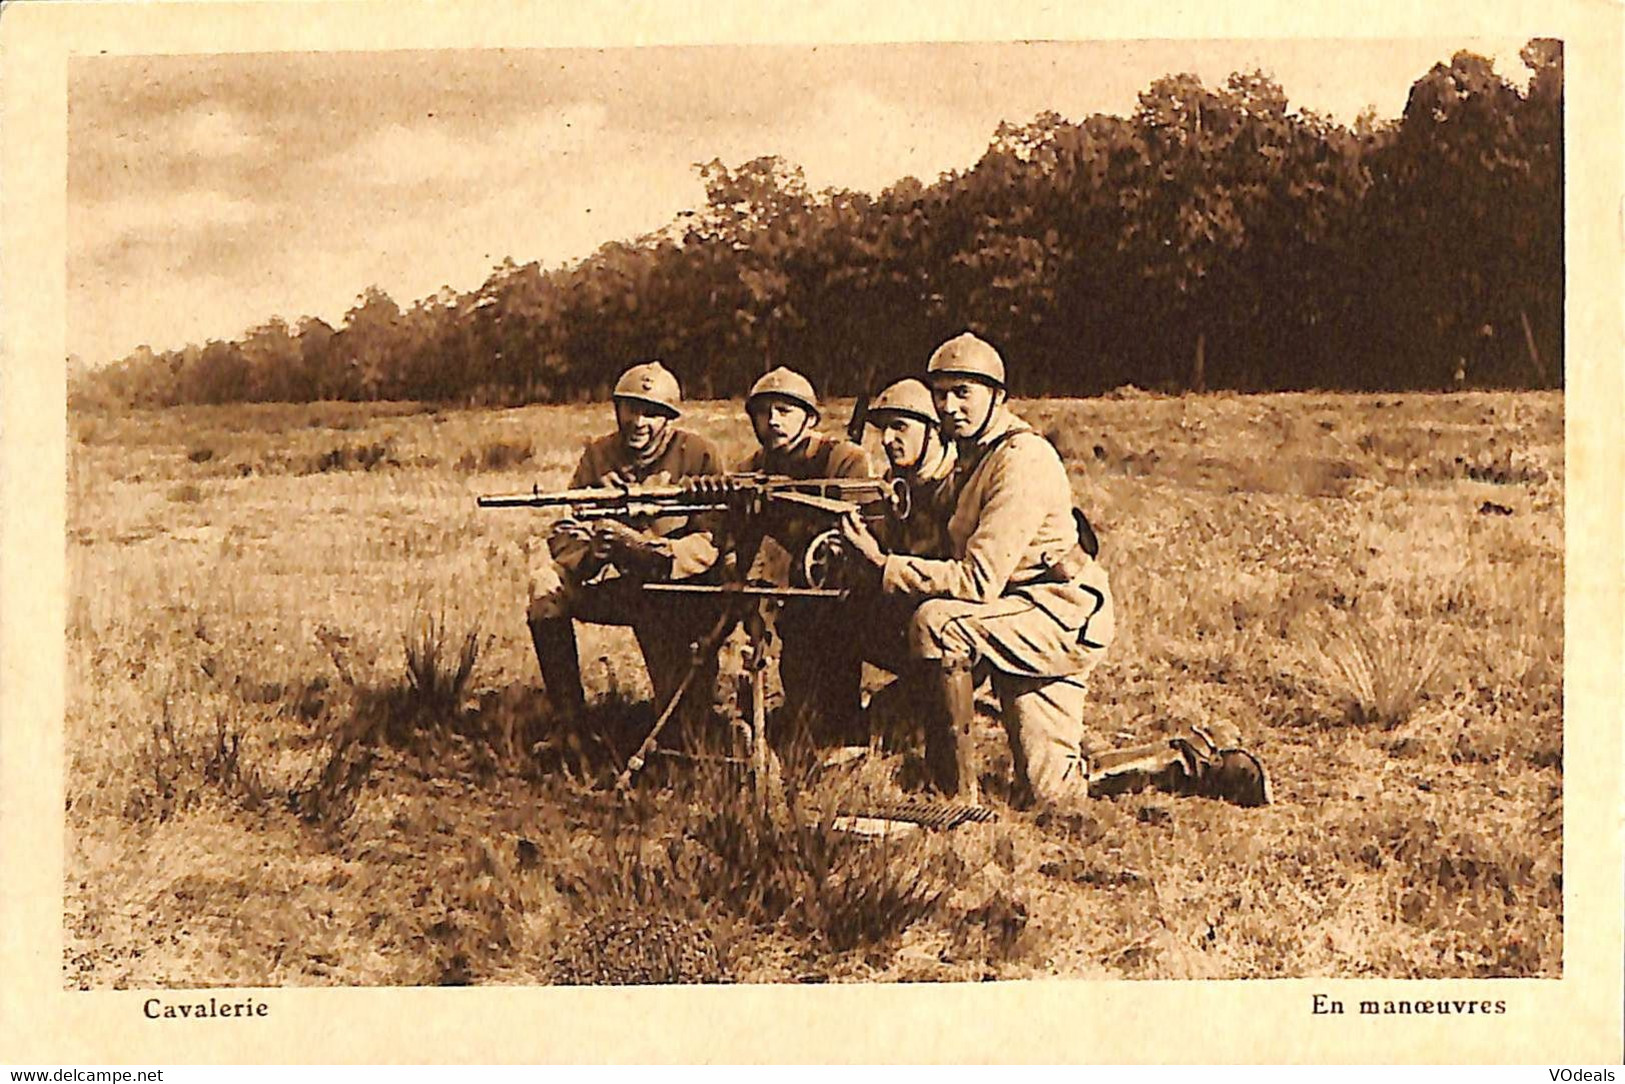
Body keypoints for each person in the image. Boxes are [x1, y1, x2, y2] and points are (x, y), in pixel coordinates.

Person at [839, 333, 1268, 809]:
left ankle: (954, 797)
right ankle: (1195, 764)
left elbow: (977, 582)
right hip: (1014, 615)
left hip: (1055, 616)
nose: (949, 406)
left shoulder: (1020, 460)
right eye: (940, 394)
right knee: (1052, 791)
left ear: (997, 396)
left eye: (964, 393)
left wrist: (883, 567)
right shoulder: (971, 456)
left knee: (940, 625)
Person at [527, 361, 725, 732]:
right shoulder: (599, 456)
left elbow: (713, 536)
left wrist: (655, 552)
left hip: (674, 592)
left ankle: (683, 729)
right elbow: (569, 524)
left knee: (684, 724)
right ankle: (569, 724)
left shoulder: (699, 454)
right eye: (630, 409)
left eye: (651, 413)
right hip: (616, 585)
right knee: (544, 586)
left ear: (669, 418)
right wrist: (593, 552)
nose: (638, 421)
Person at [735, 367, 873, 746]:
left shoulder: (843, 460)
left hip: (836, 585)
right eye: (764, 412)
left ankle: (844, 730)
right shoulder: (751, 469)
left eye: (785, 410)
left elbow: (854, 535)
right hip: (778, 585)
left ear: (810, 418)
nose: (774, 420)